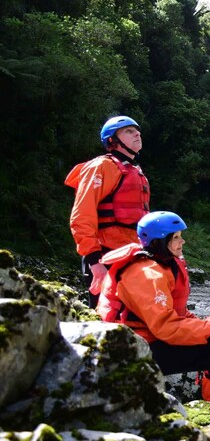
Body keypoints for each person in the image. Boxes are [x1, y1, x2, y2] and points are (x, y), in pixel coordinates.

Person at [97, 211, 210, 425]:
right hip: (130, 349)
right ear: (159, 241)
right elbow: (165, 327)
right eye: (175, 237)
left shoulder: (161, 263)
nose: (182, 241)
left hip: (147, 340)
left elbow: (179, 315)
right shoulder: (146, 274)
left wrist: (206, 327)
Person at [65, 116, 150, 307]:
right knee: (105, 314)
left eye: (137, 130)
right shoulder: (101, 166)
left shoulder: (134, 170)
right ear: (112, 140)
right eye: (128, 131)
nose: (137, 133)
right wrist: (95, 262)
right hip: (105, 254)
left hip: (132, 254)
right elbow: (81, 215)